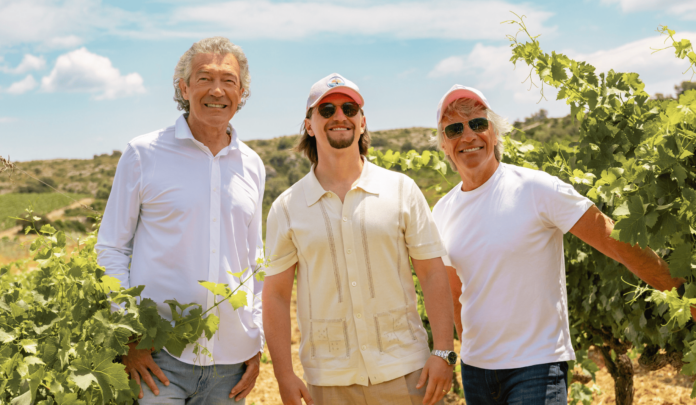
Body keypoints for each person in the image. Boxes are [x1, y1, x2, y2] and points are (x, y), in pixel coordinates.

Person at [431, 85, 693, 404]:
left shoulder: (537, 189)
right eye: (455, 128)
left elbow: (614, 240)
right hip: (477, 373)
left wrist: (680, 291)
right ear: (444, 144)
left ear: (495, 134)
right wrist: (466, 352)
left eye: (478, 124)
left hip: (535, 367)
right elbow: (455, 292)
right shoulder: (442, 211)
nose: (468, 135)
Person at [262, 73, 456, 405]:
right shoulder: (286, 208)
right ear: (309, 124)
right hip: (329, 382)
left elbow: (432, 273)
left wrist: (443, 351)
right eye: (326, 110)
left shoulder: (401, 190)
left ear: (362, 122)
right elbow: (277, 296)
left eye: (349, 108)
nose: (340, 116)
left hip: (408, 375)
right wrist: (283, 374)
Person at [96, 37, 265, 404]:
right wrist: (130, 335)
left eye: (229, 80)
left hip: (231, 366)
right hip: (157, 359)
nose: (217, 90)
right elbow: (111, 248)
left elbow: (255, 262)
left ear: (242, 93)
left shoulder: (253, 165)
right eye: (204, 78)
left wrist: (256, 339)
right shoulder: (143, 154)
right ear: (183, 88)